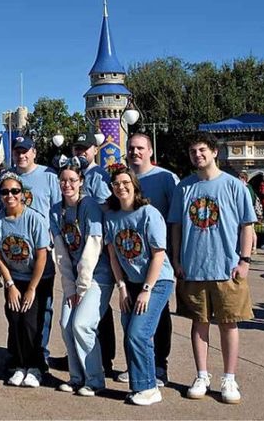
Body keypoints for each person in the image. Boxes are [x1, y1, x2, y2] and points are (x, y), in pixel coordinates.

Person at [169, 132, 255, 405]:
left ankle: (229, 377)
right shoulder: (184, 188)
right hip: (194, 268)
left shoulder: (234, 186)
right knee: (199, 323)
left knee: (229, 323)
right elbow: (177, 227)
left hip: (226, 268)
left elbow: (247, 226)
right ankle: (202, 374)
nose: (198, 155)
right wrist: (177, 260)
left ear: (214, 152)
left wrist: (245, 260)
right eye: (193, 151)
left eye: (203, 150)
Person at [103, 167, 175, 406]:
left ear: (134, 185)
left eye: (125, 182)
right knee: (129, 330)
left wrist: (146, 289)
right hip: (130, 283)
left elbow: (158, 255)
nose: (121, 187)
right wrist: (122, 287)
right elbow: (113, 256)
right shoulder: (112, 216)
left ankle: (149, 386)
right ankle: (138, 384)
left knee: (139, 333)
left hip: (156, 281)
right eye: (116, 184)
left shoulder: (148, 213)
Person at [51, 164, 112, 396]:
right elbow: (60, 252)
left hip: (97, 276)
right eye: (63, 180)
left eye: (72, 180)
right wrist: (69, 287)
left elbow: (93, 245)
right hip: (74, 279)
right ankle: (77, 377)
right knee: (66, 325)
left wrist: (82, 286)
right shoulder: (56, 211)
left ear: (81, 182)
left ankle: (95, 379)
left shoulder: (90, 207)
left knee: (82, 324)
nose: (67, 184)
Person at [126, 133, 178, 385]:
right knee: (132, 314)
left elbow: (177, 218)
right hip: (131, 261)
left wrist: (176, 256)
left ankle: (159, 365)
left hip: (158, 260)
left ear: (149, 151)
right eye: (131, 148)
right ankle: (137, 364)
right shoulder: (123, 179)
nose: (135, 152)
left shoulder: (165, 178)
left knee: (159, 314)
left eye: (140, 148)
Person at [0, 173, 52, 389]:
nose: (10, 195)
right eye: (5, 191)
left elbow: (42, 255)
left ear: (23, 194)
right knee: (15, 319)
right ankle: (18, 364)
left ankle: (35, 366)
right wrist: (10, 285)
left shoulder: (34, 218)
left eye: (14, 191)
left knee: (31, 323)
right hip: (14, 278)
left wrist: (32, 288)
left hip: (38, 278)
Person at [71, 131, 111, 204]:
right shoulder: (70, 173)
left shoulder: (99, 176)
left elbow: (104, 206)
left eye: (85, 148)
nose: (81, 152)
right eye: (77, 148)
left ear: (95, 150)